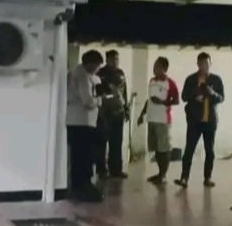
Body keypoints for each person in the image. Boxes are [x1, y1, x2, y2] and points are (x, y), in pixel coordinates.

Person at [177, 52, 224, 188]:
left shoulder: (216, 79)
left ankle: (207, 177)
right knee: (189, 150)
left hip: (210, 120)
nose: (204, 66)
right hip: (194, 121)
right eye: (202, 64)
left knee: (210, 151)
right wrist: (194, 93)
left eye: (207, 64)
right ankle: (184, 178)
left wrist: (212, 93)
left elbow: (221, 98)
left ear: (210, 64)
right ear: (197, 64)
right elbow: (184, 97)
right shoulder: (191, 79)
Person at [66, 50, 105, 203]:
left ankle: (82, 185)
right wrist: (99, 100)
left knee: (81, 156)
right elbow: (87, 101)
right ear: (90, 63)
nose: (97, 69)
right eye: (97, 65)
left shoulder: (82, 75)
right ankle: (82, 187)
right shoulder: (81, 76)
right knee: (82, 156)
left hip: (81, 121)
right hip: (80, 122)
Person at [137, 57, 180, 185]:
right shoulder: (152, 81)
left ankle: (163, 175)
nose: (154, 69)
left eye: (157, 67)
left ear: (164, 68)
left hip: (163, 120)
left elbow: (176, 100)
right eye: (154, 66)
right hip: (151, 119)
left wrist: (162, 102)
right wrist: (142, 114)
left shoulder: (170, 83)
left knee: (163, 148)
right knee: (156, 148)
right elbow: (149, 100)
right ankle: (159, 173)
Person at [95, 50, 129, 179]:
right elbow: (97, 92)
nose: (115, 62)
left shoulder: (120, 73)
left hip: (118, 112)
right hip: (104, 112)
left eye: (117, 59)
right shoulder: (100, 74)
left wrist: (126, 109)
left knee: (117, 142)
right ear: (107, 60)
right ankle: (101, 170)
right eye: (113, 59)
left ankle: (116, 169)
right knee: (102, 142)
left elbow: (124, 92)